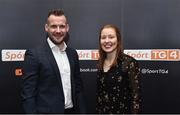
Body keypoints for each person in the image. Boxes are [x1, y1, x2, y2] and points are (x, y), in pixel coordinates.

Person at [21, 9, 86, 114]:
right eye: (54, 26)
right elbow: (28, 95)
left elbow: (78, 88)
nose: (58, 30)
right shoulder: (34, 55)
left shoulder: (72, 53)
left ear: (67, 28)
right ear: (46, 28)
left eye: (62, 26)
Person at [96, 24, 141, 114]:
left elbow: (136, 98)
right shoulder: (100, 63)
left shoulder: (129, 63)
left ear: (118, 40)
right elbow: (100, 97)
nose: (107, 41)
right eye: (103, 37)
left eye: (111, 37)